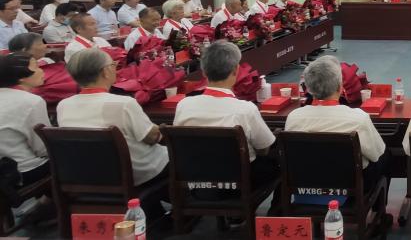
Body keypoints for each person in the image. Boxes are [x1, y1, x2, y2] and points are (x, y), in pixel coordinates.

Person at [58, 48, 168, 219]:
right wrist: (162, 129)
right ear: (105, 71)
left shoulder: (64, 105)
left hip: (87, 174)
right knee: (175, 154)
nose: (115, 68)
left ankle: (154, 213)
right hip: (135, 174)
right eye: (113, 65)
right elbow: (153, 137)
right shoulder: (123, 104)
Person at [173, 41, 278, 185]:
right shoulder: (246, 109)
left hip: (197, 181)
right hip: (240, 183)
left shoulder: (183, 105)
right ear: (236, 70)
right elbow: (263, 149)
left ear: (204, 72)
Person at [285, 56, 389, 190]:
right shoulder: (358, 118)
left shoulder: (293, 117)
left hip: (306, 182)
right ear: (340, 87)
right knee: (386, 156)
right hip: (350, 185)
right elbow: (376, 155)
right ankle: (377, 202)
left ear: (308, 88)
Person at [0, 53, 51, 185]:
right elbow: (43, 149)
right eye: (36, 66)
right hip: (23, 171)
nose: (41, 70)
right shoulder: (31, 101)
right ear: (20, 77)